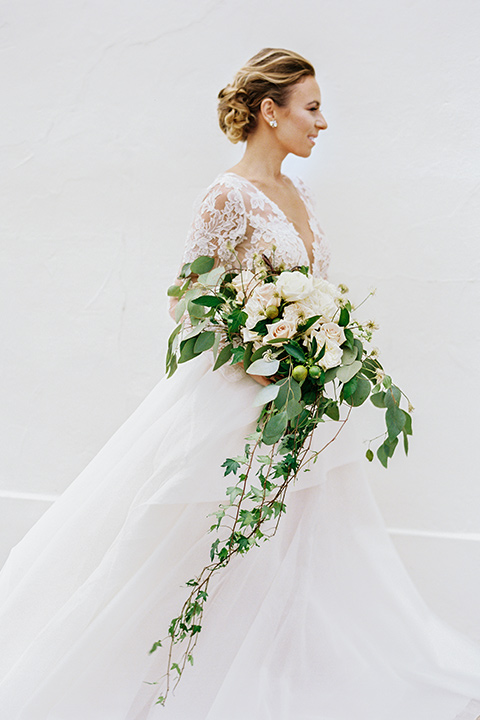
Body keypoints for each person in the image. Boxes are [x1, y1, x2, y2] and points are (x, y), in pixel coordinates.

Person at [0, 47, 479, 720]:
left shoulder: (300, 190)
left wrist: (319, 340)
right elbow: (185, 299)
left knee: (300, 542)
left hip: (300, 401)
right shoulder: (226, 196)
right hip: (238, 400)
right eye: (311, 109)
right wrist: (257, 344)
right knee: (207, 538)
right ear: (269, 111)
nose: (322, 123)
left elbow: (311, 289)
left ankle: (286, 670)